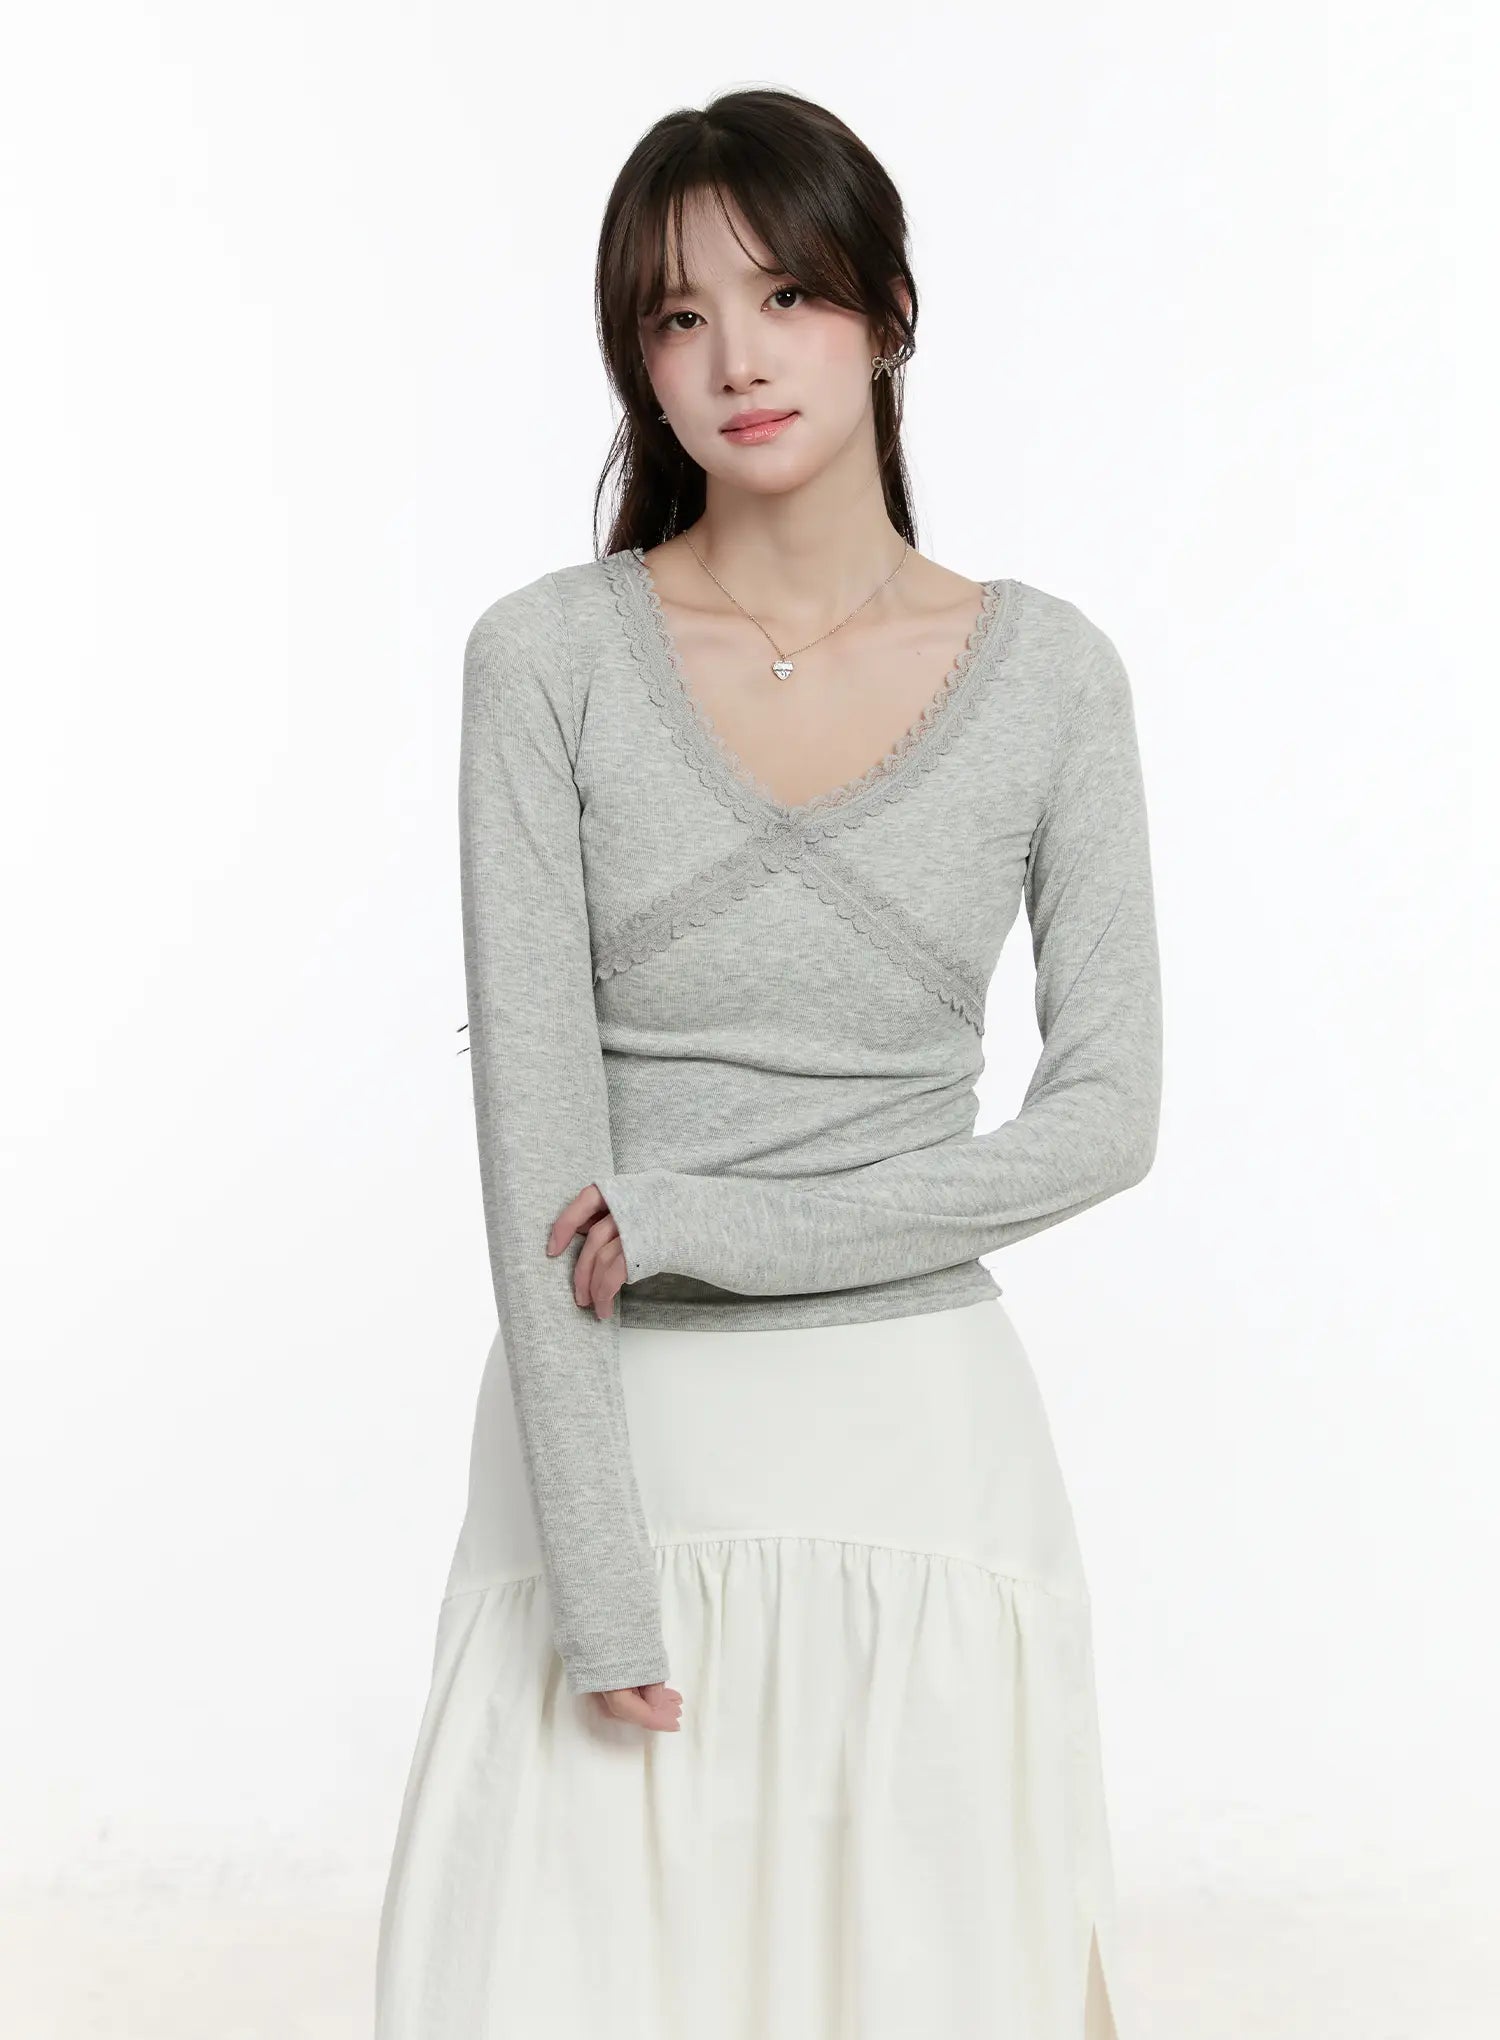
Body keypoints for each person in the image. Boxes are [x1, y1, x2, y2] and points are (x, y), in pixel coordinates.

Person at [375, 85, 1160, 2040]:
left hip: (920, 1462)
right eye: (676, 314)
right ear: (636, 361)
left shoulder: (1051, 675)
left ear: (886, 313)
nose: (734, 356)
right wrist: (599, 1579)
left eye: (787, 294)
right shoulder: (546, 662)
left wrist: (717, 1224)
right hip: (614, 1452)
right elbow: (535, 1136)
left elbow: (1106, 1119)